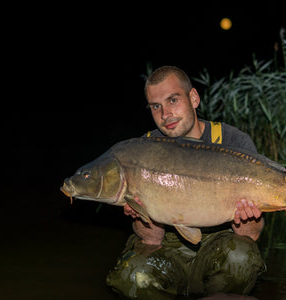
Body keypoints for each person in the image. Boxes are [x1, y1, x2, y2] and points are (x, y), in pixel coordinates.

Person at [106, 66, 266, 299]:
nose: (165, 114)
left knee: (242, 258)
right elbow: (152, 239)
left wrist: (246, 216)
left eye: (172, 100)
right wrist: (141, 212)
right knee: (133, 276)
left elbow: (251, 235)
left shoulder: (233, 142)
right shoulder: (144, 149)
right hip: (169, 250)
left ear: (193, 98)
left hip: (220, 243)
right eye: (156, 106)